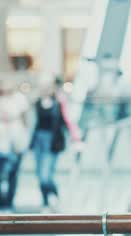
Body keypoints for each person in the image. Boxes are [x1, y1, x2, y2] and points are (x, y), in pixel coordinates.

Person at [30, 76, 81, 212]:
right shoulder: (36, 102)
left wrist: (76, 138)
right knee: (40, 175)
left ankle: (55, 195)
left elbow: (68, 121)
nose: (44, 89)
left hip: (52, 142)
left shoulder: (59, 102)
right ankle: (45, 202)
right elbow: (32, 123)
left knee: (46, 175)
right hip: (38, 142)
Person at [0, 80, 30, 212]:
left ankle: (9, 202)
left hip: (16, 140)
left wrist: (23, 140)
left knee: (13, 173)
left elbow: (25, 119)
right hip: (2, 142)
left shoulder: (19, 99)